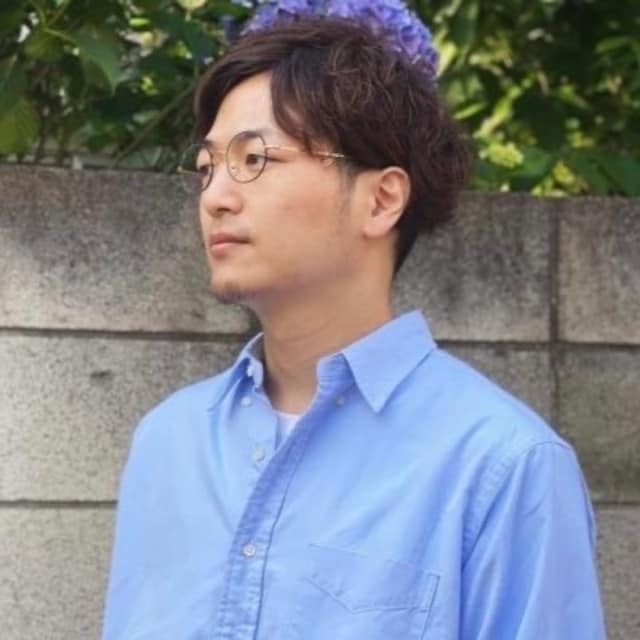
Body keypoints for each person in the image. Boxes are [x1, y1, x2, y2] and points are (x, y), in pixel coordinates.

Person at [102, 8, 606, 640]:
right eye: (207, 168)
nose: (216, 197)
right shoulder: (169, 440)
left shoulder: (504, 466)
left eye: (254, 159)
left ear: (381, 199)